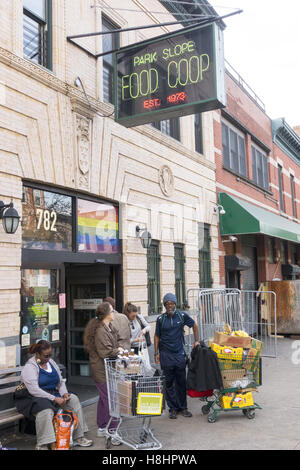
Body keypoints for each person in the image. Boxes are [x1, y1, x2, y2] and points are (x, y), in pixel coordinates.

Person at [15, 340, 93, 450]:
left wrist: (64, 393)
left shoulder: (51, 362)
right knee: (46, 410)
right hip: (32, 397)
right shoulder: (30, 367)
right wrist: (54, 398)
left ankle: (78, 437)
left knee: (73, 399)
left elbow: (60, 382)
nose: (48, 358)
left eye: (50, 355)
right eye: (46, 356)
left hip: (50, 394)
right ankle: (43, 444)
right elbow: (34, 390)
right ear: (38, 354)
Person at [83, 301, 123, 445]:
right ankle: (112, 431)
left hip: (108, 369)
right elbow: (105, 352)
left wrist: (118, 348)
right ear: (106, 314)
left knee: (104, 398)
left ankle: (101, 426)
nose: (114, 312)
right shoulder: (100, 330)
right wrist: (118, 350)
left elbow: (117, 340)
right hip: (101, 370)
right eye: (112, 311)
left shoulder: (109, 326)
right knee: (111, 401)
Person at [154, 293, 200, 420]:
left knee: (181, 382)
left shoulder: (182, 315)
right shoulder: (160, 319)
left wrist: (196, 340)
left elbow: (194, 326)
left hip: (179, 354)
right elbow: (156, 336)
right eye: (167, 304)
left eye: (172, 303)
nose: (170, 306)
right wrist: (156, 353)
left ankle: (183, 408)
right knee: (169, 382)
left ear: (175, 304)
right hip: (165, 355)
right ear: (164, 305)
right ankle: (173, 408)